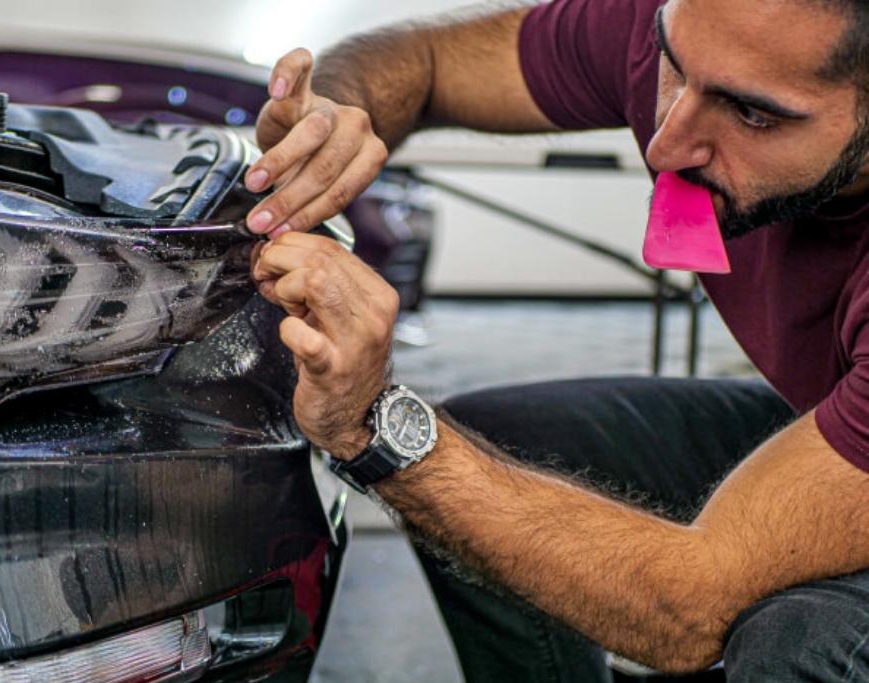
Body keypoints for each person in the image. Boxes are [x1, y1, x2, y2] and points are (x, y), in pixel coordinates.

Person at [245, 0, 869, 680]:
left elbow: (686, 610)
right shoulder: (711, 34)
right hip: (838, 421)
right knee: (499, 449)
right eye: (674, 67)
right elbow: (417, 62)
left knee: (803, 643)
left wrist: (377, 428)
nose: (665, 145)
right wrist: (332, 125)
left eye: (752, 114)